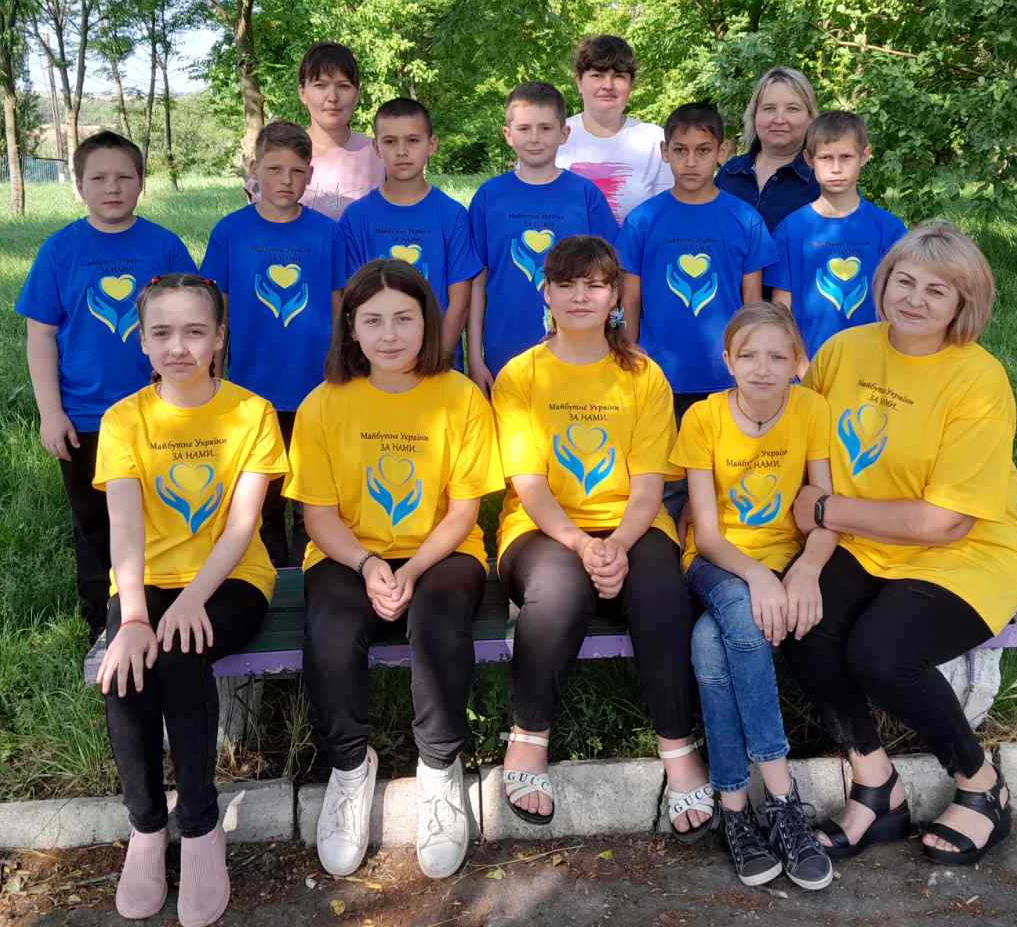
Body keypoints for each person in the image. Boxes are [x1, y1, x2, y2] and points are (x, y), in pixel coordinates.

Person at [786, 220, 1017, 867]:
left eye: (936, 291)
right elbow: (800, 442)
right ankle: (877, 786)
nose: (915, 300)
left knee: (882, 656)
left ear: (963, 304)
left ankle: (981, 784)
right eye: (905, 281)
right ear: (884, 281)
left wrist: (828, 509)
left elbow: (947, 522)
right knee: (802, 623)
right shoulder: (845, 350)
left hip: (960, 558)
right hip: (858, 541)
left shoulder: (978, 380)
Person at [287, 259, 503, 880]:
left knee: (439, 620)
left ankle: (438, 768)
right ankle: (350, 767)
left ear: (428, 322)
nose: (389, 335)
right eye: (373, 320)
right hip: (347, 553)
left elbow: (464, 511)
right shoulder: (323, 404)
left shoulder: (459, 397)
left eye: (404, 318)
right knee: (330, 628)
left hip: (442, 551)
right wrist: (368, 562)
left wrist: (412, 570)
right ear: (351, 328)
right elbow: (318, 517)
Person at [490, 236, 712, 838]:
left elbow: (648, 488)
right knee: (558, 590)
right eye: (566, 284)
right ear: (546, 293)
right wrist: (584, 545)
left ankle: (677, 746)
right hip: (540, 526)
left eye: (594, 284)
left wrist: (615, 542)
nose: (580, 296)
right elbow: (529, 484)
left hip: (633, 521)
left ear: (616, 295)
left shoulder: (643, 376)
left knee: (663, 591)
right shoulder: (519, 376)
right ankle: (528, 735)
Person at [93, 273, 287, 927]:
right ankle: (147, 828)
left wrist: (192, 599)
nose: (179, 347)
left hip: (231, 579)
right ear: (143, 341)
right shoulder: (124, 420)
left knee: (180, 651)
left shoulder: (252, 413)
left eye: (195, 331)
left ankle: (201, 829)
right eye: (163, 333)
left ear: (219, 337)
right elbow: (124, 527)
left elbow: (242, 526)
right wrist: (133, 616)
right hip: (145, 580)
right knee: (126, 668)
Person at [672, 302, 834, 891]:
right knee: (741, 613)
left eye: (777, 356)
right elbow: (708, 535)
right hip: (714, 562)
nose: (762, 368)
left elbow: (825, 512)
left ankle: (736, 809)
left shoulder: (812, 409)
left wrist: (807, 568)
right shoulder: (704, 418)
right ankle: (784, 798)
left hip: (782, 557)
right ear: (727, 360)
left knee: (708, 645)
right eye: (748, 355)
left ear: (798, 362)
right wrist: (760, 578)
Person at [17, 131, 197, 641]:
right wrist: (51, 412)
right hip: (86, 417)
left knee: (161, 513)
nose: (112, 187)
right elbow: (41, 336)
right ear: (79, 185)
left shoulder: (164, 246)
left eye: (124, 176)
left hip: (158, 412)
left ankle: (165, 603)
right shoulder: (60, 251)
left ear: (141, 182)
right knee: (95, 522)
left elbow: (196, 322)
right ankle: (103, 620)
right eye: (98, 178)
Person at [201, 120, 340, 565]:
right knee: (261, 497)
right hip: (250, 391)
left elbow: (341, 305)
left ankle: (308, 575)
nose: (286, 180)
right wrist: (211, 371)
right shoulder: (230, 232)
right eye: (275, 169)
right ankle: (269, 576)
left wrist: (342, 365)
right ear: (254, 169)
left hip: (316, 387)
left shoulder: (328, 233)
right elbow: (216, 309)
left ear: (310, 175)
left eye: (297, 171)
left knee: (313, 495)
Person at [616, 102, 777, 420]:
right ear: (665, 152)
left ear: (722, 151)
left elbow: (753, 302)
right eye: (680, 150)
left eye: (703, 150)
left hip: (726, 374)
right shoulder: (643, 221)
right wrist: (627, 357)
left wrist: (750, 362)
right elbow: (629, 300)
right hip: (658, 374)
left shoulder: (745, 219)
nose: (691, 162)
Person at [467, 83, 619, 395]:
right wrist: (474, 356)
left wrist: (615, 337)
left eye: (545, 128)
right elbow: (477, 282)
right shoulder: (489, 197)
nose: (535, 138)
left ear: (564, 133)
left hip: (578, 348)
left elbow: (611, 275)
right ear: (508, 135)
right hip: (504, 347)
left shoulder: (584, 195)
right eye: (524, 128)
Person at [337, 98, 482, 361]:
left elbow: (460, 302)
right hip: (378, 363)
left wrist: (436, 359)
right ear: (376, 147)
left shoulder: (452, 215)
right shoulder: (356, 218)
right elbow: (353, 299)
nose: (402, 151)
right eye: (390, 141)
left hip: (438, 362)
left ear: (432, 144)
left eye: (413, 140)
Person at [767, 111, 907, 361]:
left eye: (846, 157)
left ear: (865, 155)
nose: (836, 168)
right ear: (808, 159)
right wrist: (799, 365)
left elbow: (899, 303)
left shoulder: (888, 229)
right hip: (809, 365)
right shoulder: (791, 230)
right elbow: (781, 308)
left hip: (875, 364)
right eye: (825, 157)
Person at [557, 34, 672, 223]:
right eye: (597, 75)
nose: (608, 85)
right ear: (579, 81)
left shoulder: (655, 142)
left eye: (618, 76)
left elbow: (666, 217)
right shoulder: (551, 137)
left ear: (631, 84)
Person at [716, 67, 823, 235]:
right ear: (754, 115)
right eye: (769, 108)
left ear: (810, 118)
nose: (779, 119)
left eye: (792, 109)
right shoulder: (729, 173)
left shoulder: (824, 180)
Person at [296, 41, 384, 219]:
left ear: (357, 95)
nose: (333, 98)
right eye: (320, 85)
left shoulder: (381, 155)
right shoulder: (277, 156)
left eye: (344, 86)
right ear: (302, 93)